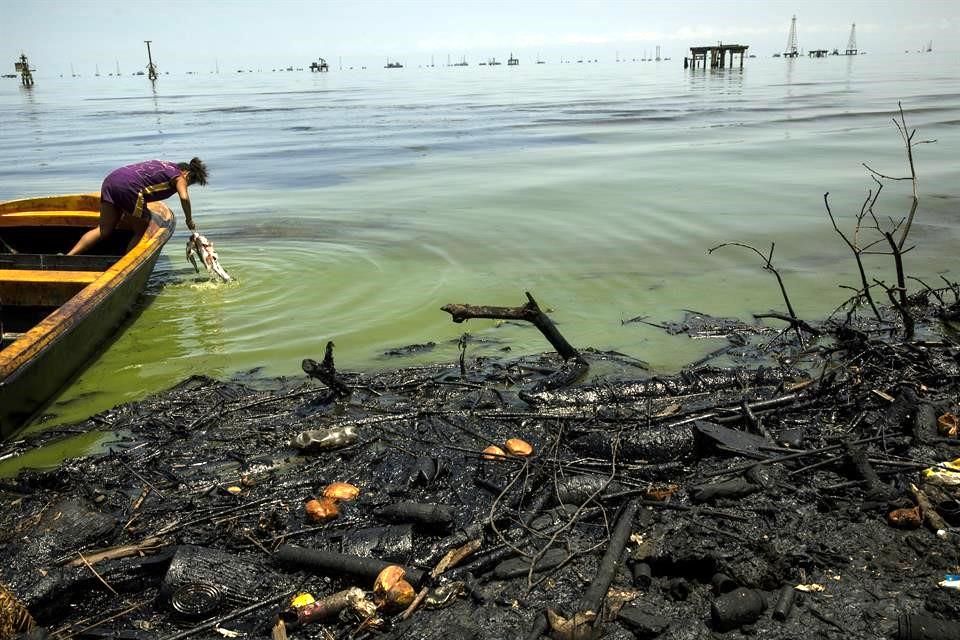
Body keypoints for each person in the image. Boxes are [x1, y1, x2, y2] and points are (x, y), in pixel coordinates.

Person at [67, 157, 208, 255]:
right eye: (189, 183)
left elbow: (145, 180)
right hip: (129, 189)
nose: (186, 186)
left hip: (111, 181)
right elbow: (184, 197)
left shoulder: (166, 165)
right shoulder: (179, 176)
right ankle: (125, 266)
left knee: (104, 229)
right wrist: (189, 219)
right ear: (187, 174)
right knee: (142, 228)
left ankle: (69, 255)